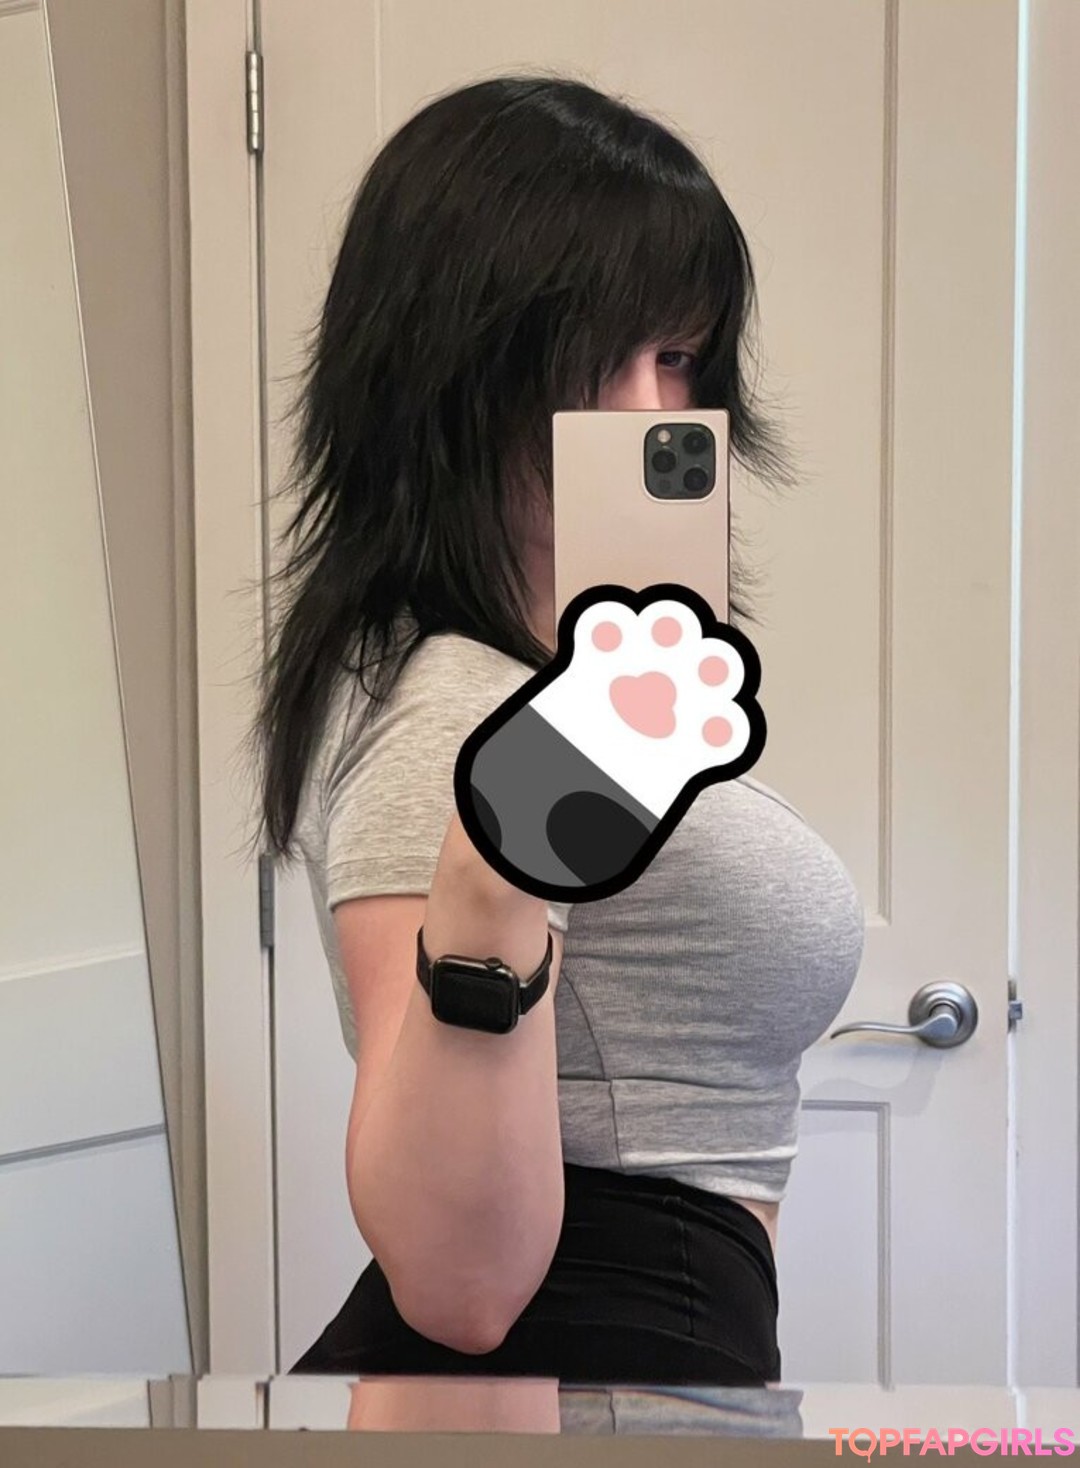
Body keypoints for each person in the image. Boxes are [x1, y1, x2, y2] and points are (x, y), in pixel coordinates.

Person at [240, 73, 865, 1385]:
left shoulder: (546, 696)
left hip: (642, 1371)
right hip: (565, 1388)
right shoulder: (455, 723)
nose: (648, 413)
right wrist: (502, 847)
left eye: (677, 357)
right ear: (451, 370)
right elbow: (460, 1287)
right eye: (595, 357)